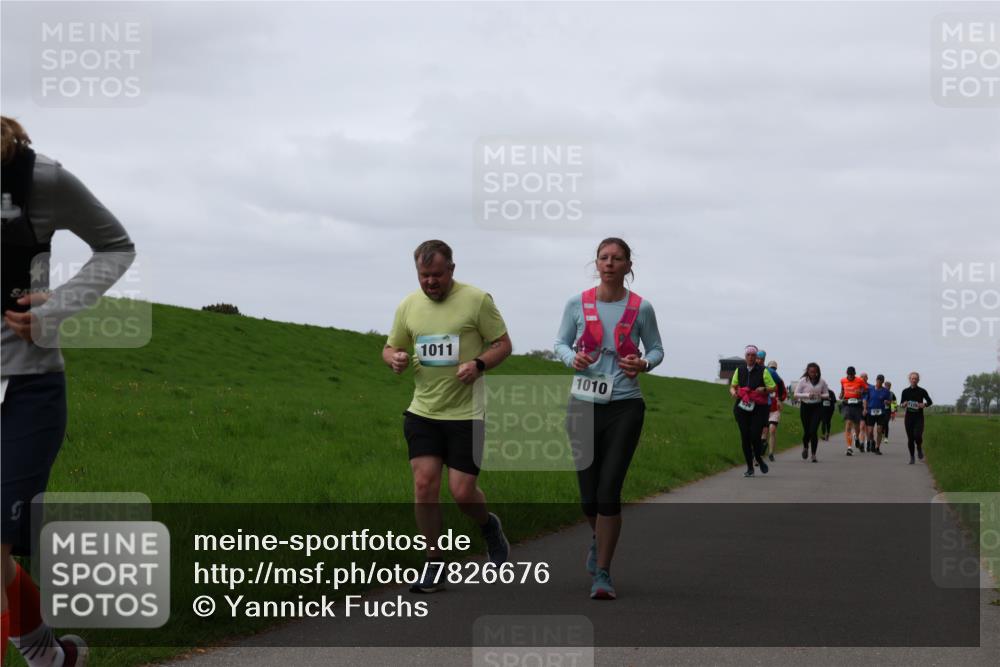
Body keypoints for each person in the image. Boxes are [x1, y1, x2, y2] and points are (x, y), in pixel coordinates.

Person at [2, 116, 136, 667]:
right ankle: (49, 656)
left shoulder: (43, 180)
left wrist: (56, 307)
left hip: (27, 389)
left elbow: (115, 245)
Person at [384, 240, 513, 593]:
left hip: (466, 414)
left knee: (461, 492)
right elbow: (391, 346)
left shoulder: (477, 300)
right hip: (423, 412)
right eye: (424, 275)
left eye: (437, 275)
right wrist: (393, 358)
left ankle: (489, 526)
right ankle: (434, 562)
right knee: (424, 485)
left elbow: (503, 344)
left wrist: (479, 363)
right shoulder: (408, 306)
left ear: (452, 270)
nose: (430, 282)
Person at [555, 237, 663, 600]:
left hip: (625, 405)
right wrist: (573, 359)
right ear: (596, 263)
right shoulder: (577, 303)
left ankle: (603, 572)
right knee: (589, 499)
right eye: (604, 257)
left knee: (609, 491)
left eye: (617, 258)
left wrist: (644, 363)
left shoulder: (641, 307)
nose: (610, 263)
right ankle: (596, 537)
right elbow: (560, 344)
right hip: (583, 404)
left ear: (628, 266)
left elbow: (657, 349)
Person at [730, 345, 774, 477]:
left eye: (753, 355)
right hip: (742, 407)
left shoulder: (763, 371)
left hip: (759, 409)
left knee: (755, 436)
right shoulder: (739, 370)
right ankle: (750, 467)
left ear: (757, 358)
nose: (750, 357)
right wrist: (733, 392)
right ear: (745, 357)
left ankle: (759, 459)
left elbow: (773, 387)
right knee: (745, 437)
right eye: (748, 355)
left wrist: (764, 390)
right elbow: (733, 386)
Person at [794, 363, 829, 462]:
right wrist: (807, 395)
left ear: (818, 372)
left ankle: (813, 455)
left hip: (817, 407)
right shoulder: (803, 381)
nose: (813, 374)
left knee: (813, 431)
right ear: (807, 372)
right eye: (811, 372)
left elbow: (827, 394)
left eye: (815, 372)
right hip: (805, 407)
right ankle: (805, 447)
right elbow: (796, 394)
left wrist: (820, 395)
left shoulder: (822, 381)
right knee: (807, 431)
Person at [899, 372, 933, 464]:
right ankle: (912, 457)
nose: (914, 380)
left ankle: (919, 448)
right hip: (909, 418)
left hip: (919, 417)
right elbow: (901, 404)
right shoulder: (905, 391)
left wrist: (924, 404)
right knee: (910, 438)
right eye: (912, 378)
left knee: (918, 436)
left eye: (915, 378)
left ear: (918, 380)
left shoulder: (922, 391)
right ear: (909, 379)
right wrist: (904, 404)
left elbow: (930, 402)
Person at [838, 366, 868, 455]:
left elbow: (866, 390)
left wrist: (861, 392)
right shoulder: (843, 380)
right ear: (846, 374)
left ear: (854, 374)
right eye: (849, 375)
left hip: (857, 405)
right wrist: (841, 395)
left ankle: (857, 438)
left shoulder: (860, 381)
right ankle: (849, 448)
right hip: (847, 404)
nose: (850, 376)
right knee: (848, 425)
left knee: (857, 427)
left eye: (852, 375)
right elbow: (842, 391)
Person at [761, 358, 786, 462]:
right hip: (764, 408)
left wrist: (780, 399)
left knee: (772, 430)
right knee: (764, 432)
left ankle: (771, 452)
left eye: (774, 368)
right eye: (771, 368)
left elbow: (784, 393)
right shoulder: (763, 379)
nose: (773, 370)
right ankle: (761, 452)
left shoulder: (779, 381)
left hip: (775, 409)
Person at [863, 374, 892, 455]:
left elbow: (890, 401)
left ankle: (877, 447)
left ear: (883, 381)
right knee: (870, 432)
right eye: (878, 380)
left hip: (881, 413)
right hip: (870, 412)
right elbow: (865, 399)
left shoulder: (886, 391)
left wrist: (887, 402)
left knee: (879, 430)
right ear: (876, 380)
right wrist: (865, 409)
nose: (879, 382)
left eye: (881, 380)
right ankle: (872, 441)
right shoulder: (870, 389)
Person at [856, 372, 872, 452]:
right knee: (861, 427)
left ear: (867, 378)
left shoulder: (871, 387)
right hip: (860, 409)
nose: (863, 378)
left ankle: (868, 442)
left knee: (869, 429)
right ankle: (862, 443)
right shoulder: (857, 387)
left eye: (864, 377)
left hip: (869, 410)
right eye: (861, 377)